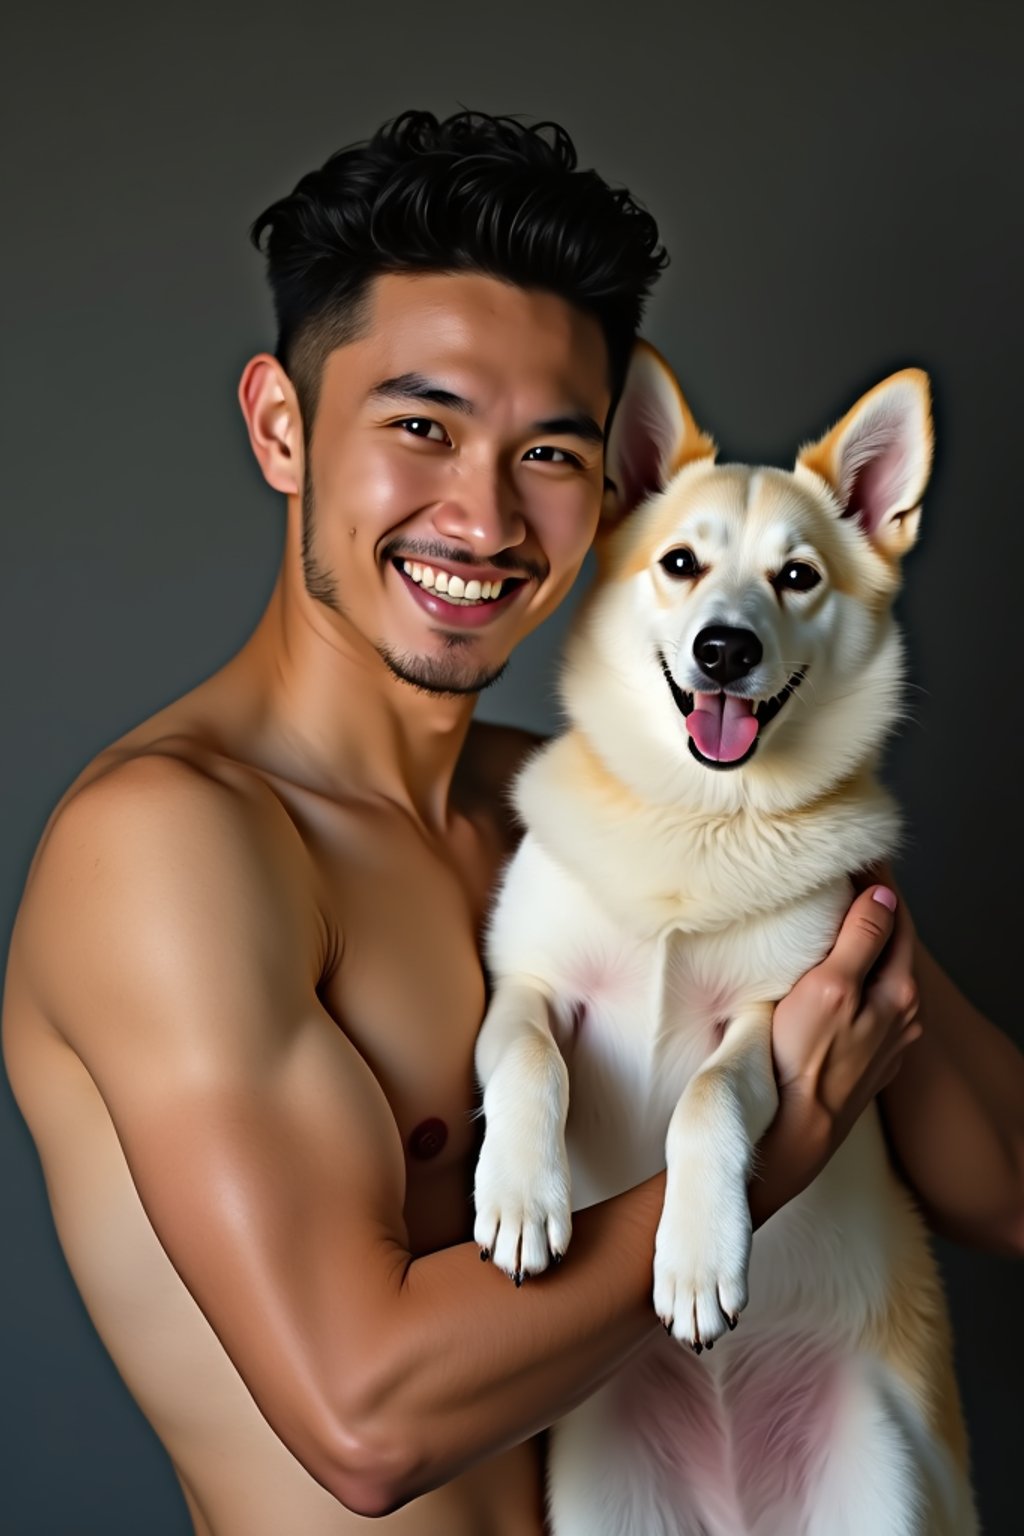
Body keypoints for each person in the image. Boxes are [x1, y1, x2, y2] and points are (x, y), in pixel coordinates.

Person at [2, 110, 1021, 1536]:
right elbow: (366, 1424)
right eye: (421, 427)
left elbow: (1003, 1181)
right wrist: (764, 1154)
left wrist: (824, 894)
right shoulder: (173, 847)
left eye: (550, 452)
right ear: (283, 427)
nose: (483, 518)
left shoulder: (592, 803)